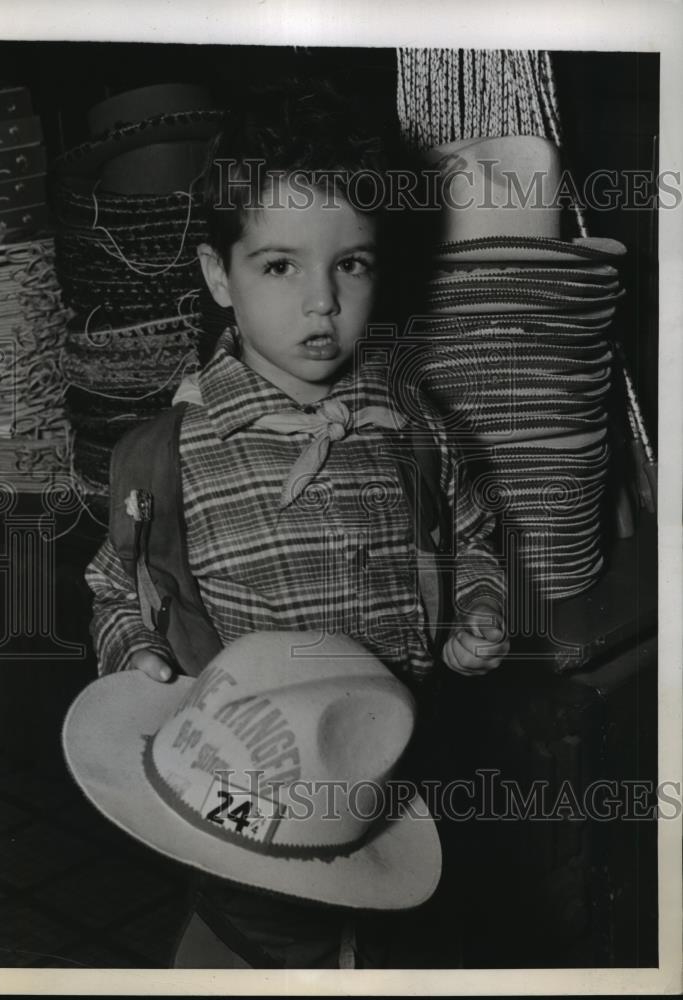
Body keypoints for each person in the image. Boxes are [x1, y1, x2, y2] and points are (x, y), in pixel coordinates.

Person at [85, 80, 509, 968]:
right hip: (243, 802)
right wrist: (141, 658)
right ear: (217, 277)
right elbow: (114, 587)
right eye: (280, 266)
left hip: (376, 779)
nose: (321, 302)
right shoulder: (170, 458)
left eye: (349, 264)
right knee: (249, 950)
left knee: (390, 943)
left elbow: (469, 532)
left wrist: (476, 607)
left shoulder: (414, 426)